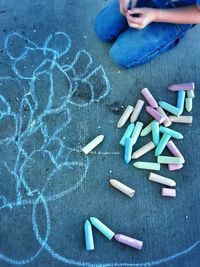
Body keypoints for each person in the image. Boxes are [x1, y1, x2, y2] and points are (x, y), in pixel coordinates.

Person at [94, 0, 200, 69]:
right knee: (102, 29)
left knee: (119, 55)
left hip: (176, 13)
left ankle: (172, 36)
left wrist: (155, 15)